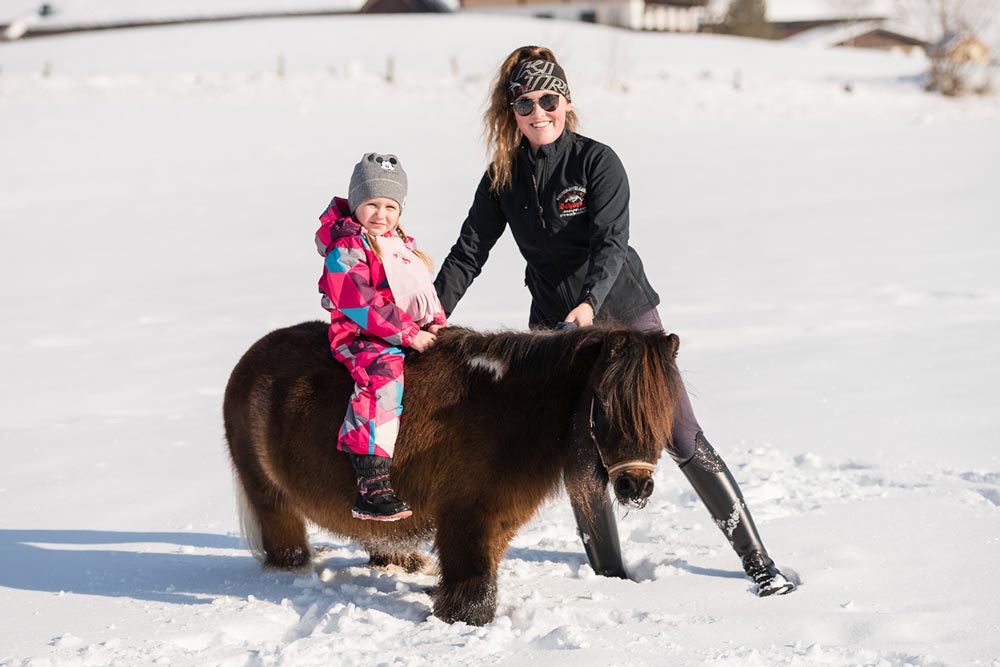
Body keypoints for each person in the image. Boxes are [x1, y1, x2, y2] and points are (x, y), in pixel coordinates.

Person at [433, 46, 795, 596]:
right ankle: (610, 579)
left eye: (548, 99)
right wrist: (432, 316)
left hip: (623, 315)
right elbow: (469, 251)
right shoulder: (503, 176)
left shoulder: (597, 161)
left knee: (680, 433)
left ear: (567, 102)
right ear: (512, 111)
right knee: (579, 447)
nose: (538, 112)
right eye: (525, 102)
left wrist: (588, 303)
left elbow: (610, 242)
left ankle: (758, 562)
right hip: (559, 331)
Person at [316, 152, 446, 521]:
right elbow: (356, 300)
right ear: (356, 203)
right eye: (371, 204)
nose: (380, 214)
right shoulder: (346, 247)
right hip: (360, 335)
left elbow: (420, 292)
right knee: (383, 376)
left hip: (402, 332)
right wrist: (408, 333)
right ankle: (371, 482)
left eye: (390, 206)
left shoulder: (398, 243)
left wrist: (434, 324)